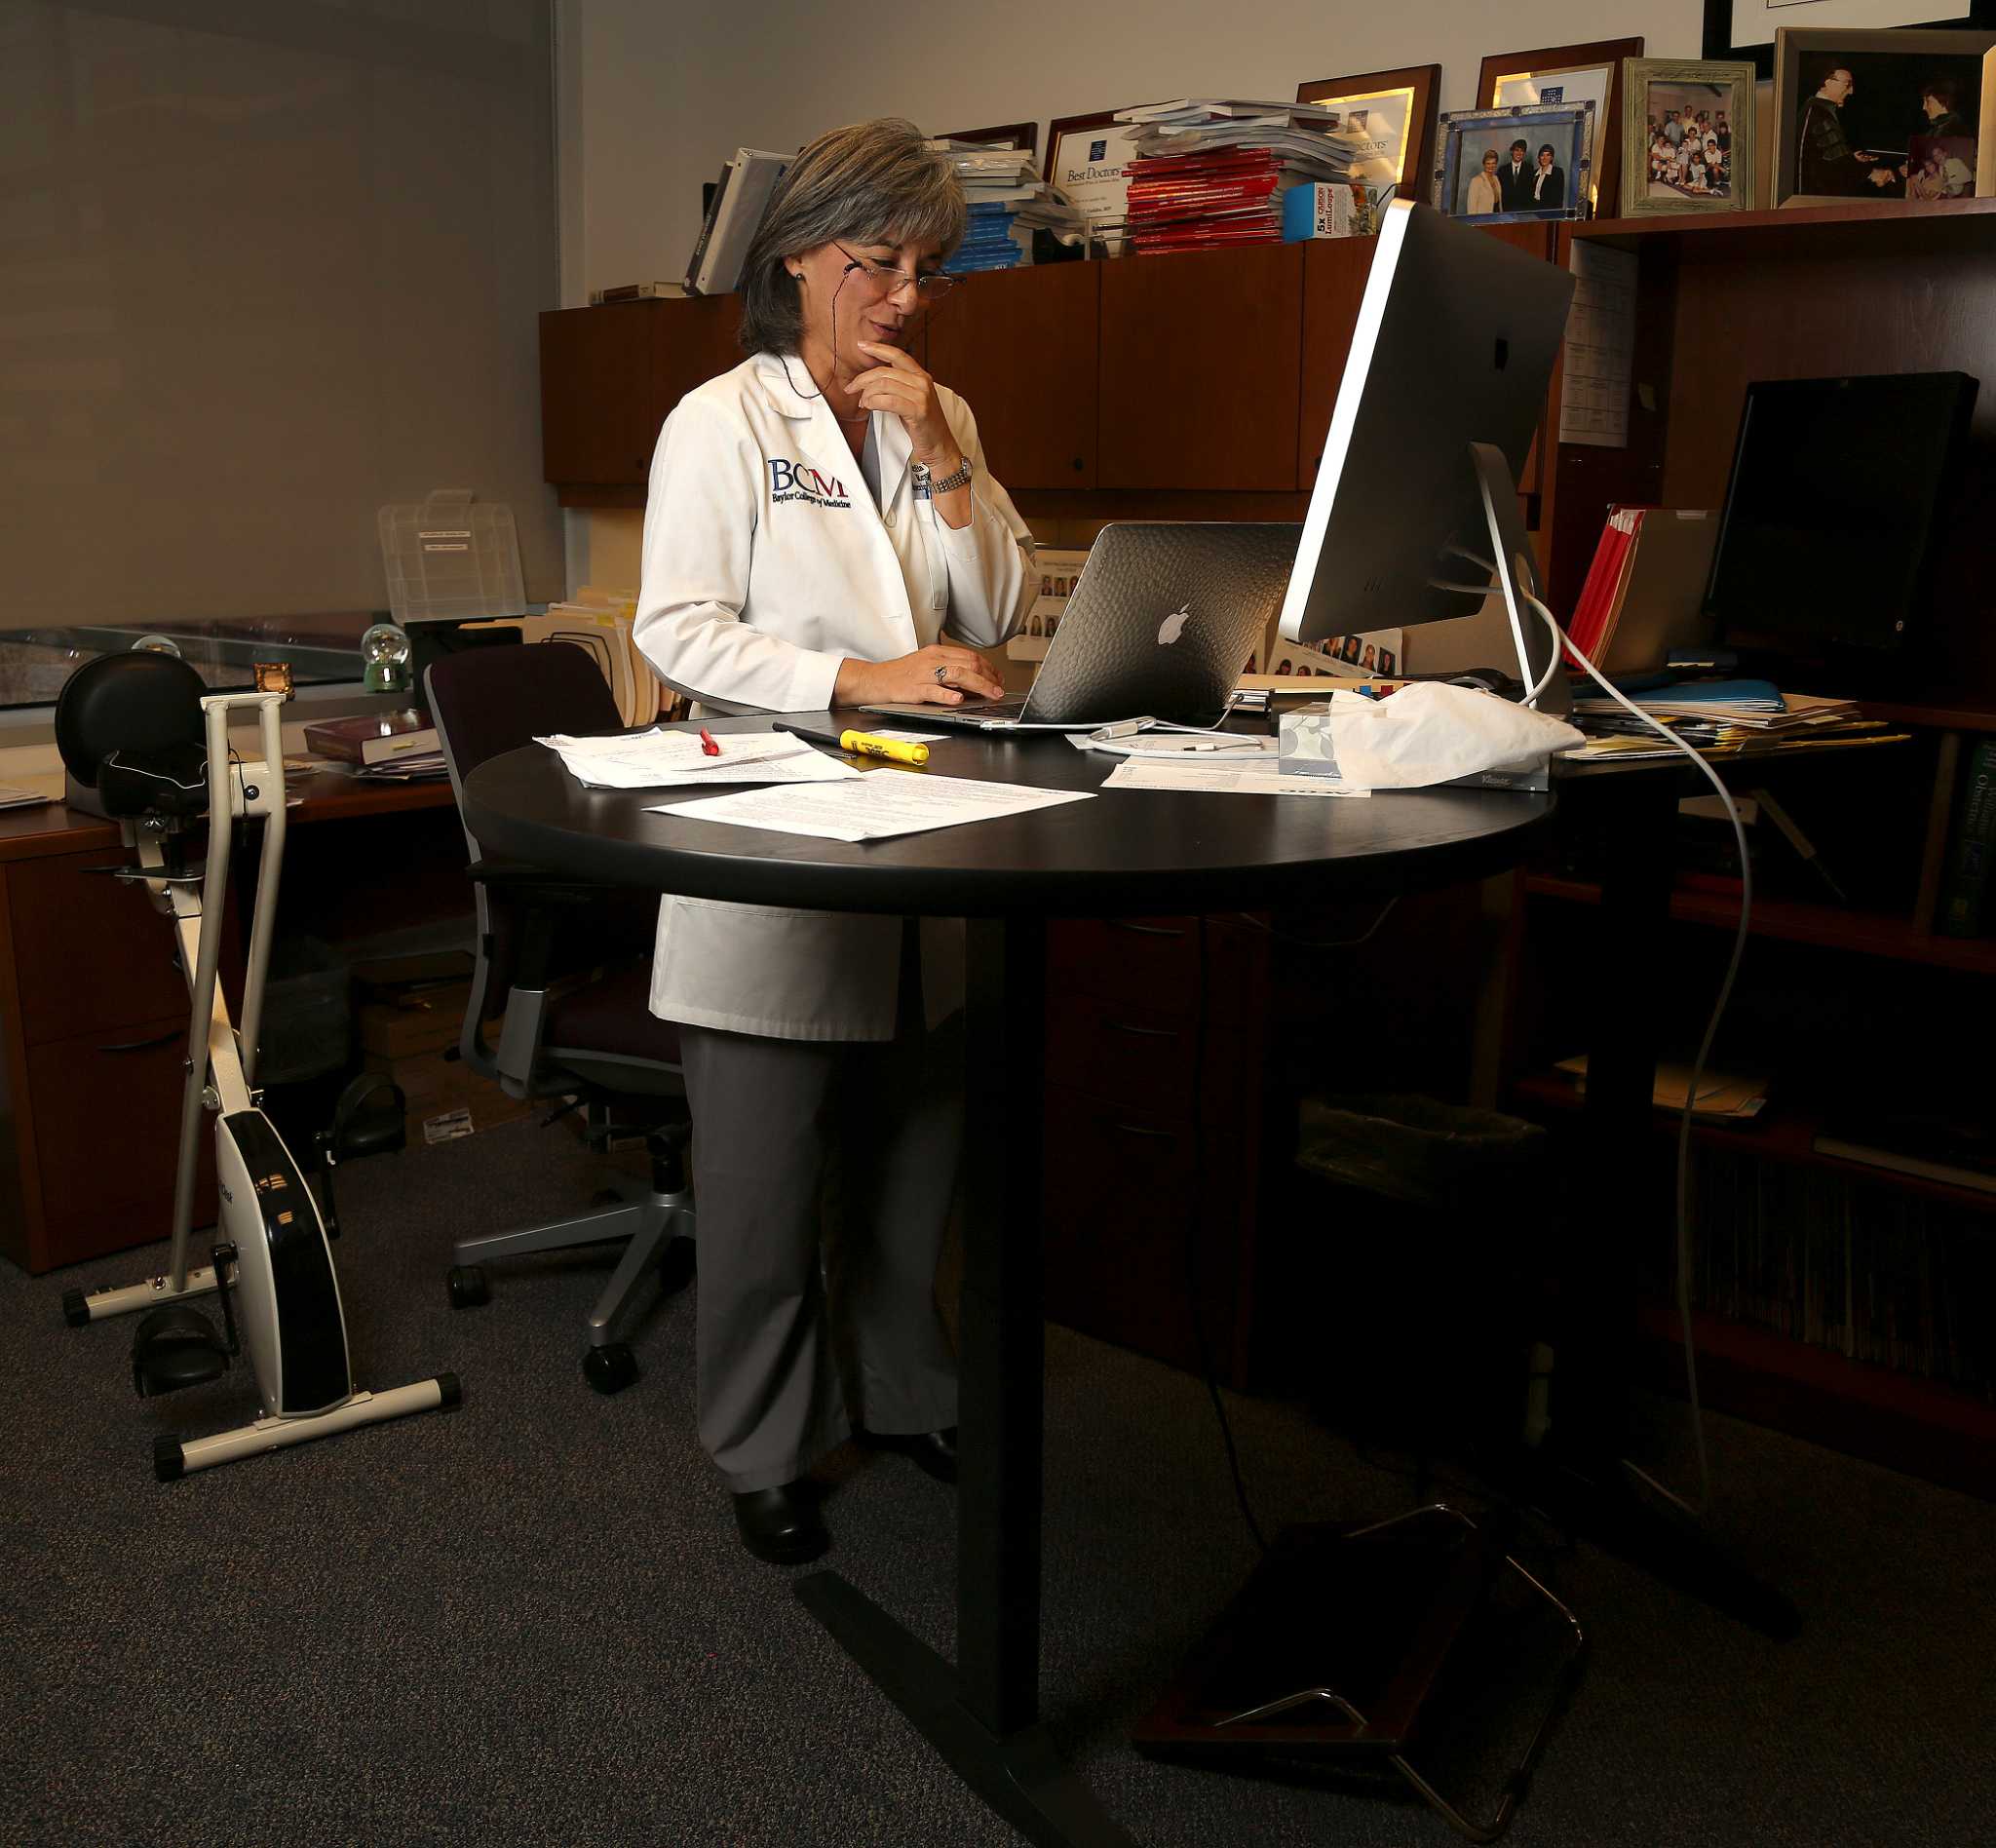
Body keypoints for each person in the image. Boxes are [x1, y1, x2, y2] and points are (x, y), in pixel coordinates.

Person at [633, 118, 1036, 1566]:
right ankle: (761, 1444)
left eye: (929, 268)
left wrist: (937, 453)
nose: (907, 295)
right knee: (765, 1184)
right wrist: (859, 678)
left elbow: (993, 606)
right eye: (879, 262)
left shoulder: (944, 414)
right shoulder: (723, 423)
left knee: (916, 1150)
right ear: (801, 259)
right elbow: (674, 630)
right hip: (775, 840)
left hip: (920, 835)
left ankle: (907, 1392)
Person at [1799, 65, 1898, 195]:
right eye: (1847, 84)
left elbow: (1823, 156)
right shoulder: (1819, 113)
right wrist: (1872, 173)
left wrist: (1851, 158)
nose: (1851, 91)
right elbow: (1835, 162)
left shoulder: (1815, 108)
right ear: (1827, 83)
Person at [1499, 137, 1534, 211]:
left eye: (1522, 151)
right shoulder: (1503, 170)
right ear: (1511, 151)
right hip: (1506, 212)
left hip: (1524, 212)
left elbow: (1530, 193)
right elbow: (1500, 194)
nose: (1519, 153)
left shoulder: (1529, 169)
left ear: (1524, 153)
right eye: (1516, 150)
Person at [1466, 148, 1503, 214]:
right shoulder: (1476, 181)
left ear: (1496, 164)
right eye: (1488, 163)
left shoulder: (1496, 179)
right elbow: (1471, 209)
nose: (1491, 166)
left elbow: (1498, 204)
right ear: (1484, 164)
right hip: (1483, 220)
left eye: (1493, 163)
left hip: (1497, 218)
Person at [1531, 142, 1565, 207]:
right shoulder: (1534, 173)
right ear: (1539, 157)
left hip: (1548, 210)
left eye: (1548, 155)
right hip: (1533, 209)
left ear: (1551, 158)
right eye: (1542, 155)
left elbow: (1558, 198)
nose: (1544, 158)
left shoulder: (1557, 172)